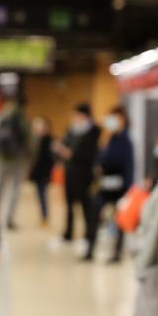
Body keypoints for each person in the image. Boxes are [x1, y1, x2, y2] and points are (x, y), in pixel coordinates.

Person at [87, 105, 134, 263]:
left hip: (120, 187)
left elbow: (128, 165)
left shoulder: (126, 141)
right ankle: (90, 249)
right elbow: (101, 158)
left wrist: (127, 190)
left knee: (119, 221)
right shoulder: (109, 139)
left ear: (122, 120)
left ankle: (117, 253)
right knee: (94, 213)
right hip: (105, 186)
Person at [56, 102, 100, 252]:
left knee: (86, 206)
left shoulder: (93, 131)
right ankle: (68, 234)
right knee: (69, 205)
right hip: (70, 173)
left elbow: (91, 154)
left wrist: (73, 154)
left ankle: (88, 235)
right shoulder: (72, 130)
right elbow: (64, 144)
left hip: (84, 174)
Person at [0, 72, 31, 231]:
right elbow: (30, 141)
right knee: (15, 190)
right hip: (18, 160)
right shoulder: (23, 119)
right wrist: (29, 160)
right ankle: (9, 219)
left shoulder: (1, 116)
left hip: (0, 159)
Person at [29, 116, 55, 226]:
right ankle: (43, 216)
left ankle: (45, 216)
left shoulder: (49, 140)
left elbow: (52, 158)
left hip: (44, 173)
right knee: (39, 195)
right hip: (36, 172)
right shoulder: (33, 139)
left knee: (42, 195)